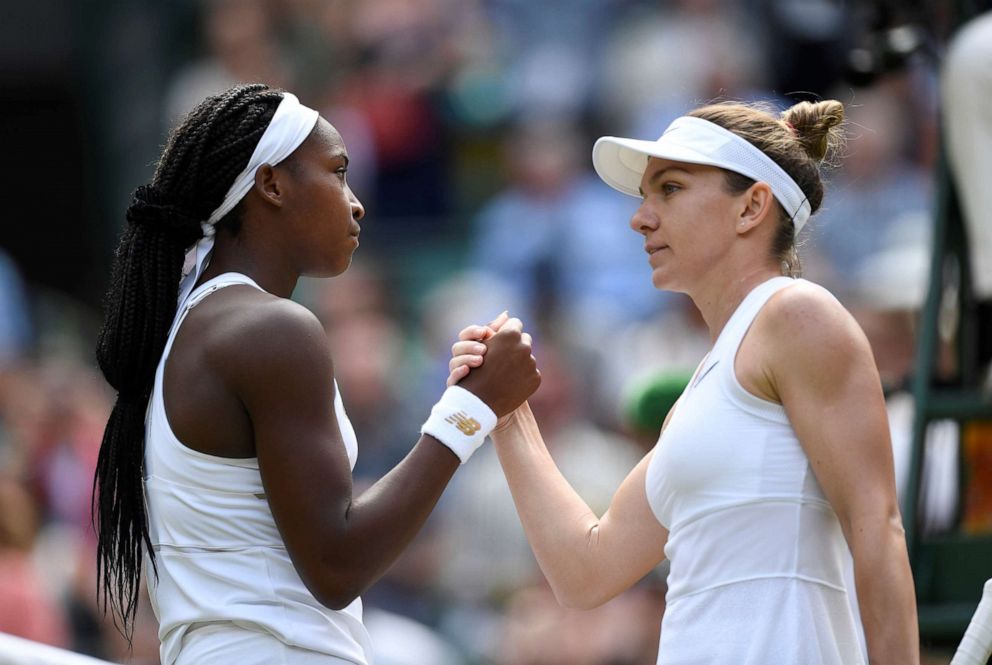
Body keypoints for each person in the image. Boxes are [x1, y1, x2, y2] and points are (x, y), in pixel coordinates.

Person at [449, 100, 919, 663]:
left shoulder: (797, 313)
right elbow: (585, 573)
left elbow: (878, 527)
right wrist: (508, 412)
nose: (640, 217)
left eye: (669, 189)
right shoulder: (702, 393)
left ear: (751, 207)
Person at [92, 83, 540, 665]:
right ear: (271, 184)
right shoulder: (274, 330)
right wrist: (471, 412)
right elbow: (337, 564)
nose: (356, 203)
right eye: (338, 172)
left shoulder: (191, 325)